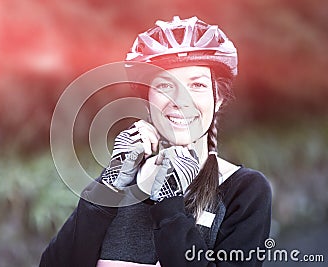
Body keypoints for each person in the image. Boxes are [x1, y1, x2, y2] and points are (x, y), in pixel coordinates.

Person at [39, 16, 272, 266]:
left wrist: (170, 207)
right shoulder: (119, 182)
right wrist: (106, 188)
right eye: (165, 86)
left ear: (218, 99)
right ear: (148, 100)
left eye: (197, 85)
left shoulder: (244, 190)